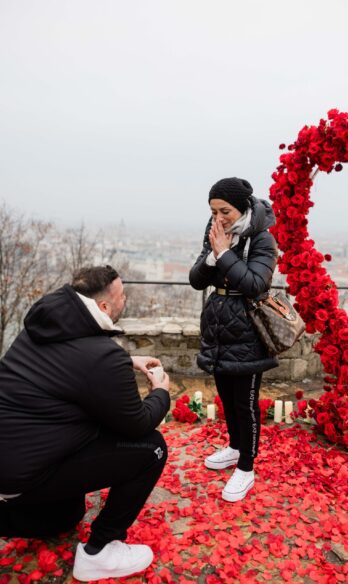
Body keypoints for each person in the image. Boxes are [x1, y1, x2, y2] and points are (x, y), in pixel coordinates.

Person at [0, 265, 170, 581]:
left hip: (10, 466)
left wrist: (126, 362)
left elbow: (69, 369)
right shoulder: (101, 356)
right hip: (25, 476)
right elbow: (137, 423)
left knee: (69, 514)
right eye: (122, 295)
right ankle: (100, 551)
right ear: (104, 306)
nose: (126, 299)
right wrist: (160, 391)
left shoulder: (45, 327)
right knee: (151, 449)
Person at [189, 177, 278, 502]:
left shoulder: (263, 240)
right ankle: (235, 446)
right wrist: (213, 256)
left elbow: (255, 284)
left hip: (249, 330)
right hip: (218, 326)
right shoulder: (214, 232)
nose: (218, 218)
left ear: (241, 207)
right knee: (226, 396)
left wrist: (225, 252)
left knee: (246, 403)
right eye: (213, 211)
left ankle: (246, 466)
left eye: (224, 210)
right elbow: (197, 279)